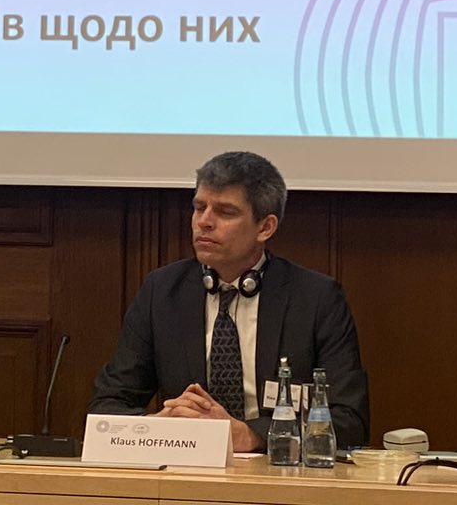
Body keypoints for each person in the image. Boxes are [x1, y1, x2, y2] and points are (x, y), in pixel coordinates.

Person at [89, 151, 369, 451]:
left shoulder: (316, 298)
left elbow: (349, 420)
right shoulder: (162, 291)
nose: (204, 222)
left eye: (225, 212)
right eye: (199, 208)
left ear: (265, 227)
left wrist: (250, 435)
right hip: (187, 465)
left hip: (275, 467)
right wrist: (159, 425)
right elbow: (106, 407)